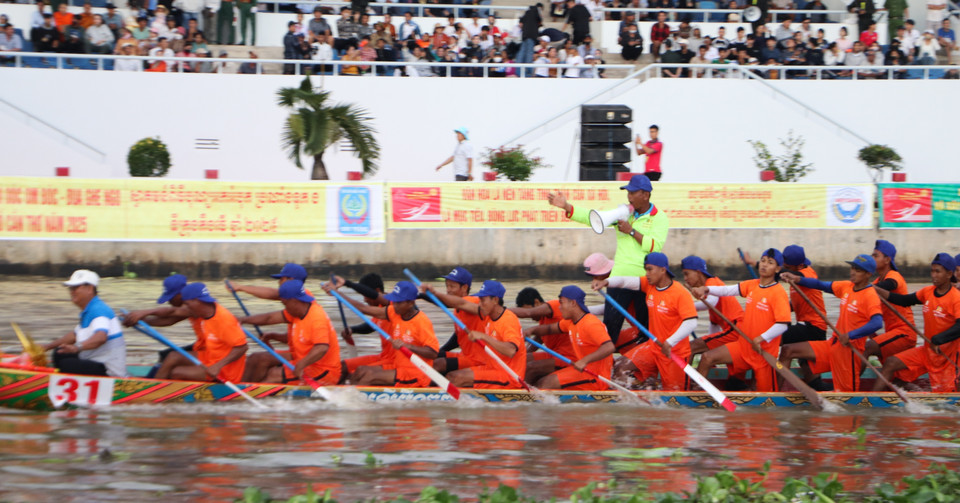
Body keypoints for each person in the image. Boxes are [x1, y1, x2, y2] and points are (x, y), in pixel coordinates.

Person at [547, 174, 669, 343]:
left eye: (633, 193)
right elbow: (593, 217)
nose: (629, 197)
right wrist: (567, 207)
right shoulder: (623, 213)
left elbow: (656, 247)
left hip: (645, 280)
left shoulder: (659, 217)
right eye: (628, 193)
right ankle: (605, 365)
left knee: (645, 328)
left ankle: (642, 365)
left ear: (645, 195)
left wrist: (631, 231)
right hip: (619, 277)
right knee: (611, 326)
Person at [778, 254, 883, 392]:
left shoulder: (870, 296)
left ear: (868, 274)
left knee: (846, 399)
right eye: (852, 268)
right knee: (787, 350)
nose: (852, 272)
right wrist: (797, 279)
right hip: (833, 345)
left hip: (849, 353)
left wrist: (850, 335)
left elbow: (877, 323)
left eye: (857, 270)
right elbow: (820, 285)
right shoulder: (847, 286)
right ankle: (772, 392)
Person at [596, 253, 698, 391]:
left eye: (650, 269)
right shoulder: (649, 285)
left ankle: (668, 387)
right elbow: (626, 281)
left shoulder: (680, 293)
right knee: (620, 367)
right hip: (653, 347)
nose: (647, 274)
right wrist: (606, 282)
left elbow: (691, 323)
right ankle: (644, 391)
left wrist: (670, 342)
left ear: (663, 270)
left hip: (674, 352)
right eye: (646, 270)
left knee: (674, 395)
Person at [694, 249, 790, 392]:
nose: (764, 265)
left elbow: (783, 324)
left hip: (763, 353)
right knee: (707, 358)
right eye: (762, 260)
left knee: (766, 399)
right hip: (744, 346)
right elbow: (726, 291)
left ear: (777, 269)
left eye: (770, 263)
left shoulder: (778, 293)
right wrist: (706, 289)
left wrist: (761, 338)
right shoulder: (752, 285)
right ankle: (695, 394)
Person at [873, 253, 960, 392]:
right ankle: (871, 400)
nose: (933, 275)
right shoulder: (927, 292)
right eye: (932, 271)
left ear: (949, 274)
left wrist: (939, 339)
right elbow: (904, 300)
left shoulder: (956, 298)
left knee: (943, 401)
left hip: (945, 357)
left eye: (938, 271)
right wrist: (877, 290)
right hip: (927, 351)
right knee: (890, 363)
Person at [326, 281, 439, 386]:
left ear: (411, 303)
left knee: (369, 377)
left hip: (417, 373)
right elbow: (364, 308)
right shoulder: (394, 312)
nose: (394, 305)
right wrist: (338, 294)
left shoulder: (422, 321)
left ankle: (354, 403)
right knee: (360, 371)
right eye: (394, 301)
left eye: (398, 302)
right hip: (398, 367)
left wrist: (407, 346)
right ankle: (344, 397)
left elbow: (433, 353)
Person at [238, 280, 341, 384]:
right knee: (256, 358)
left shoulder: (316, 318)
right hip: (303, 359)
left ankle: (244, 395)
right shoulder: (298, 311)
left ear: (294, 301)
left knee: (272, 375)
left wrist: (301, 364)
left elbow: (322, 348)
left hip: (324, 371)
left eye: (285, 304)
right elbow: (269, 318)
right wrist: (242, 320)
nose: (285, 308)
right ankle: (240, 387)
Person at [149, 283, 249, 382]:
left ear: (196, 301)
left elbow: (242, 347)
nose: (186, 308)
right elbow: (171, 314)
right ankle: (153, 386)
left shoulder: (224, 321)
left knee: (175, 372)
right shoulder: (206, 313)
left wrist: (218, 366)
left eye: (187, 304)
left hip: (225, 371)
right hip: (210, 357)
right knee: (172, 356)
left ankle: (154, 392)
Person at [437, 280, 527, 389]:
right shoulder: (486, 314)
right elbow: (461, 303)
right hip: (491, 368)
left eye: (483, 300)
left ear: (495, 300)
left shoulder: (508, 320)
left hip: (509, 375)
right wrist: (433, 293)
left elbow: (511, 350)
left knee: (457, 378)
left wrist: (484, 336)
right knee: (451, 376)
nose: (479, 304)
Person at [525, 286, 614, 390]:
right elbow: (549, 329)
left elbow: (609, 347)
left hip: (595, 375)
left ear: (573, 303)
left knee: (546, 383)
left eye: (561, 302)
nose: (559, 307)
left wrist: (584, 361)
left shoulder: (591, 323)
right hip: (583, 370)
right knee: (541, 381)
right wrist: (530, 330)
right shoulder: (570, 322)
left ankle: (526, 401)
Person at [42, 270, 126, 377]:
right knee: (60, 352)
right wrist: (47, 347)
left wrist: (77, 348)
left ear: (90, 289)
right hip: (95, 361)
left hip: (109, 370)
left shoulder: (99, 310)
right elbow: (74, 335)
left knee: (67, 364)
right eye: (71, 288)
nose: (71, 292)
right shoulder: (89, 310)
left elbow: (101, 337)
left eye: (75, 287)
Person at [866, 240, 917, 362]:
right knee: (897, 379)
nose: (872, 258)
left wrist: (864, 285)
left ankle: (852, 381)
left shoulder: (894, 275)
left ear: (887, 260)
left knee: (866, 348)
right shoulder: (876, 282)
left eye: (876, 255)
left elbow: (889, 285)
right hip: (892, 334)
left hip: (904, 333)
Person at [682, 256, 744, 356]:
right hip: (730, 331)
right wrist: (708, 346)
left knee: (691, 347)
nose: (685, 279)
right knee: (702, 352)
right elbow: (714, 326)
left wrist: (686, 308)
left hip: (737, 329)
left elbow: (710, 303)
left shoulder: (712, 282)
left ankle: (682, 372)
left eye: (687, 274)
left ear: (698, 272)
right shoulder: (707, 294)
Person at [514, 287, 570, 384]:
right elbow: (538, 340)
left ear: (536, 302)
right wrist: (521, 356)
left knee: (530, 367)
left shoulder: (555, 305)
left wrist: (498, 311)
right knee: (521, 359)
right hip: (555, 356)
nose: (531, 318)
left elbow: (528, 312)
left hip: (568, 358)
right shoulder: (542, 321)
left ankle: (520, 393)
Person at [779, 245, 828, 345]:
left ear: (800, 266)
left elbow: (788, 273)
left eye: (788, 268)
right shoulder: (793, 281)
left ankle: (771, 361)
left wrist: (760, 265)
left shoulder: (808, 273)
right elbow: (794, 304)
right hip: (803, 325)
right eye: (784, 266)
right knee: (787, 350)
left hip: (814, 327)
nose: (785, 270)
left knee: (775, 338)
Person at [226, 262, 309, 300]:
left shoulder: (302, 296)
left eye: (281, 279)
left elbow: (272, 293)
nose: (279, 282)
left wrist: (240, 287)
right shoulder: (295, 297)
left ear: (291, 280)